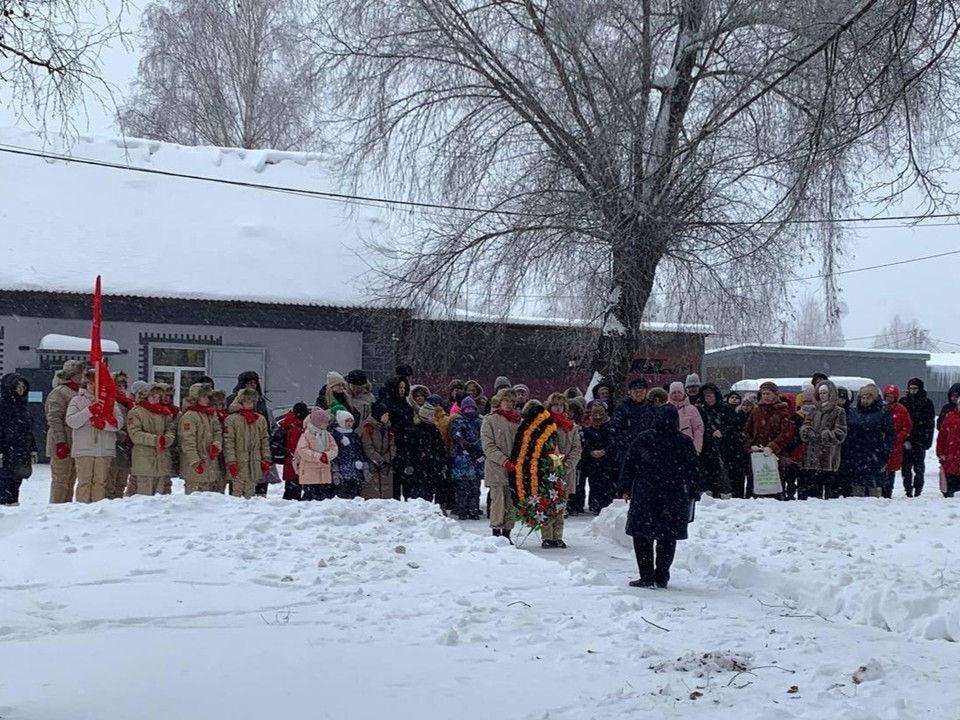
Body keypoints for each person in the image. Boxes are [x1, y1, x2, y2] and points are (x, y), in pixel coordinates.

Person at [618, 404, 699, 589]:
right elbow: (693, 469)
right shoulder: (684, 441)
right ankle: (662, 576)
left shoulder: (644, 438)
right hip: (674, 495)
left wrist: (624, 487)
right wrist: (694, 491)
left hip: (646, 493)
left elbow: (629, 464)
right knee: (667, 538)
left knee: (642, 536)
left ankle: (646, 576)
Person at [65, 368, 125, 503]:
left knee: (100, 481)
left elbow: (119, 422)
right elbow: (71, 421)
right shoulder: (77, 400)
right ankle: (82, 508)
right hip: (84, 448)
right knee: (84, 481)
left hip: (104, 448)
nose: (93, 387)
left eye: (96, 384)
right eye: (90, 383)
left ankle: (98, 507)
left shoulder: (110, 401)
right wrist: (89, 411)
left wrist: (104, 425)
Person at [541, 393, 582, 549]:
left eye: (561, 405)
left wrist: (567, 465)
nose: (558, 408)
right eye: (555, 405)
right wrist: (548, 464)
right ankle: (547, 535)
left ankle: (558, 535)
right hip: (548, 470)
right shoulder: (543, 425)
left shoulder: (571, 427)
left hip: (565, 470)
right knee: (546, 503)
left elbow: (577, 448)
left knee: (560, 504)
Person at [481, 388, 521, 542]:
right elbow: (488, 446)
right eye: (507, 400)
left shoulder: (517, 421)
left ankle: (507, 532)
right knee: (498, 501)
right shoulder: (490, 419)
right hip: (497, 467)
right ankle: (496, 531)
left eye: (512, 401)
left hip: (515, 467)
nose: (509, 404)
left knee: (512, 501)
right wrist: (504, 461)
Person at [841, 384, 895, 498]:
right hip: (855, 454)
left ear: (874, 399)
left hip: (875, 453)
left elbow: (890, 433)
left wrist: (886, 450)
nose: (865, 401)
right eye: (863, 398)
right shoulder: (853, 412)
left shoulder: (882, 413)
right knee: (857, 486)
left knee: (874, 486)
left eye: (868, 398)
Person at [227, 371, 274, 496]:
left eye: (254, 382)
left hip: (256, 446)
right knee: (237, 486)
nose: (252, 385)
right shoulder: (233, 399)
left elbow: (266, 430)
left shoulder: (260, 400)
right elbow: (229, 438)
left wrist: (267, 455)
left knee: (257, 484)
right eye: (249, 383)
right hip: (239, 446)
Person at [798, 380, 848, 500]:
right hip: (812, 455)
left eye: (825, 393)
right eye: (820, 393)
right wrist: (807, 432)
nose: (822, 396)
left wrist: (826, 435)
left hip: (828, 456)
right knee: (813, 491)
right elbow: (805, 425)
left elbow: (841, 432)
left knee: (829, 490)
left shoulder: (839, 411)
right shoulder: (814, 410)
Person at [743, 381, 793, 497]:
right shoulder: (756, 411)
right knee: (756, 484)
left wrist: (772, 446)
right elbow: (747, 430)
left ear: (775, 394)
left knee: (774, 484)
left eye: (768, 393)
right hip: (757, 454)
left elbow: (786, 432)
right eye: (763, 393)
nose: (765, 396)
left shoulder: (782, 411)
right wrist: (750, 445)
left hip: (776, 455)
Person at [46, 359, 84, 503]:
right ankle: (56, 506)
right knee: (60, 479)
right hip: (61, 440)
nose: (81, 377)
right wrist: (61, 442)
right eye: (78, 374)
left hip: (76, 441)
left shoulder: (80, 392)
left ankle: (66, 506)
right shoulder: (59, 393)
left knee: (71, 479)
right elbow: (54, 419)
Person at [128, 383, 176, 496]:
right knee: (144, 495)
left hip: (161, 460)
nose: (156, 399)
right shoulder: (136, 412)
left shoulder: (164, 413)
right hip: (144, 461)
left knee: (160, 495)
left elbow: (170, 429)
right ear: (146, 396)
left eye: (158, 397)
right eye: (153, 396)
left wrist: (167, 439)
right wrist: (155, 440)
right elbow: (135, 434)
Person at [177, 383, 224, 495]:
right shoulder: (189, 416)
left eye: (209, 396)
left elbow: (218, 431)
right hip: (195, 467)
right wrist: (195, 461)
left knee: (208, 499)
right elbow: (187, 442)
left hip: (209, 464)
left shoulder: (210, 414)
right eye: (204, 396)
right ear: (196, 398)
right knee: (194, 499)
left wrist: (217, 445)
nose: (208, 399)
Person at [0, 372, 37, 506]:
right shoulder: (3, 406)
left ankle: (13, 504)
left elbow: (28, 430)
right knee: (4, 481)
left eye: (23, 387)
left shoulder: (23, 406)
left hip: (21, 451)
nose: (21, 390)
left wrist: (32, 449)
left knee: (16, 480)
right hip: (6, 452)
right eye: (17, 387)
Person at [900, 378, 935, 497]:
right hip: (906, 439)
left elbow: (930, 424)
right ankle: (908, 489)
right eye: (911, 388)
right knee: (906, 467)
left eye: (915, 388)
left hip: (920, 440)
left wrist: (927, 441)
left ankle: (918, 490)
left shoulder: (926, 402)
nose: (912, 391)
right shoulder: (904, 401)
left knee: (919, 468)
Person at [698, 383, 734, 498]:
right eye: (706, 396)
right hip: (707, 447)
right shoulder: (702, 411)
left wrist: (723, 432)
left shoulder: (726, 409)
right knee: (707, 474)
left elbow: (735, 426)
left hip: (724, 448)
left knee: (723, 473)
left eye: (710, 395)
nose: (708, 398)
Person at [581, 400, 618, 513]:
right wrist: (590, 451)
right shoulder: (587, 427)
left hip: (608, 460)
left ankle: (606, 503)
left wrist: (605, 451)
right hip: (592, 460)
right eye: (595, 414)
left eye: (600, 414)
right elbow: (584, 442)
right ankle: (595, 503)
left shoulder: (611, 426)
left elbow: (614, 442)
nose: (597, 417)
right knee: (594, 482)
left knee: (607, 482)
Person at [450, 396, 484, 519]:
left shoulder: (480, 422)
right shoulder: (458, 422)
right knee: (462, 488)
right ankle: (462, 510)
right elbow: (457, 437)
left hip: (476, 461)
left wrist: (478, 449)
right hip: (462, 461)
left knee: (475, 488)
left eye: (472, 408)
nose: (470, 410)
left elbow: (484, 437)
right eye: (467, 408)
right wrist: (468, 448)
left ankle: (473, 510)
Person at [295, 407, 339, 501]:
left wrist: (327, 455)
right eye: (325, 422)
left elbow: (334, 447)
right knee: (311, 496)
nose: (327, 424)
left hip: (324, 469)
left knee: (324, 495)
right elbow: (302, 450)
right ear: (318, 422)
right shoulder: (306, 434)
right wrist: (318, 457)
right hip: (309, 471)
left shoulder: (327, 434)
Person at [383, 376, 414, 500]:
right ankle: (394, 501)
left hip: (405, 443)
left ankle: (407, 501)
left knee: (406, 475)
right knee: (394, 477)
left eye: (404, 388)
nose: (402, 390)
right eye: (399, 387)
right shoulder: (387, 404)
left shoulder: (407, 406)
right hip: (392, 442)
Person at [610, 379, 655, 463]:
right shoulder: (622, 408)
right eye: (635, 391)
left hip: (648, 454)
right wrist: (626, 446)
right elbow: (614, 431)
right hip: (626, 454)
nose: (638, 394)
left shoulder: (653, 409)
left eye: (641, 391)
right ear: (629, 392)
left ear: (646, 392)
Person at [106, 370, 135, 500]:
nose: (121, 388)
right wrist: (121, 434)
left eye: (124, 385)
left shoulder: (128, 402)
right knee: (111, 480)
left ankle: (119, 502)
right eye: (118, 385)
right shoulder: (109, 401)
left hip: (127, 445)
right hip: (114, 443)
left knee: (122, 481)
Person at [882, 385, 913, 499]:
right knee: (880, 468)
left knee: (891, 470)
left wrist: (898, 437)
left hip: (895, 445)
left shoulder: (901, 410)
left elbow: (907, 426)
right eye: (887, 396)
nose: (889, 399)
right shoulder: (880, 408)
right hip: (880, 444)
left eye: (892, 396)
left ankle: (888, 491)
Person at [274, 402, 310, 500]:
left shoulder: (289, 424)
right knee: (297, 485)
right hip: (297, 459)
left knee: (292, 487)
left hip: (290, 460)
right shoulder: (298, 427)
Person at [360, 404, 396, 500]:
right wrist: (378, 459)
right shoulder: (368, 429)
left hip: (386, 465)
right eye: (385, 415)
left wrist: (388, 457)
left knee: (386, 491)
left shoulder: (388, 429)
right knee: (372, 491)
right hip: (373, 463)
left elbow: (392, 446)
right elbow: (367, 446)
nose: (387, 417)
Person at [332, 410, 365, 499]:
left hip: (353, 467)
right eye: (347, 421)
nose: (349, 424)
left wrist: (359, 460)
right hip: (341, 466)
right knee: (342, 490)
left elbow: (358, 449)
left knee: (354, 489)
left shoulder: (354, 435)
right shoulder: (336, 435)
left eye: (351, 421)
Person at [725, 391, 751, 498]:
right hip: (731, 447)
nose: (734, 399)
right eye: (732, 397)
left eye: (736, 397)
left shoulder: (746, 415)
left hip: (743, 447)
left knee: (742, 473)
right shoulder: (728, 412)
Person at [667, 382, 704, 454]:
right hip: (669, 449)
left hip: (687, 448)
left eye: (679, 392)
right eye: (674, 393)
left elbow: (698, 429)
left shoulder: (692, 409)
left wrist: (697, 448)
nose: (677, 395)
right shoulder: (665, 409)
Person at [936, 400, 960, 497]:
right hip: (951, 454)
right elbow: (942, 436)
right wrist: (940, 452)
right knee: (949, 479)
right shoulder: (950, 416)